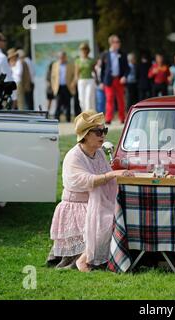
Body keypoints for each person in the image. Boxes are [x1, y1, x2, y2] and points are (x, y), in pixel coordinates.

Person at [47, 110, 134, 271]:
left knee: (122, 213)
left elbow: (109, 178)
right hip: (78, 207)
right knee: (109, 220)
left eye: (104, 131)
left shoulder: (99, 153)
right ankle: (83, 259)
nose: (103, 135)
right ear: (85, 135)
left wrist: (129, 176)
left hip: (98, 203)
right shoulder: (74, 156)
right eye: (98, 132)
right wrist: (113, 174)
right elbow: (86, 180)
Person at [100, 34, 129, 124]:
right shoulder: (105, 54)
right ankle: (108, 119)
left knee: (121, 100)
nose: (118, 43)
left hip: (119, 80)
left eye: (119, 42)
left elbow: (127, 68)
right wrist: (101, 82)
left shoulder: (122, 54)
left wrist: (124, 76)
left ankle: (122, 118)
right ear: (111, 43)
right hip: (109, 80)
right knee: (109, 99)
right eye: (116, 42)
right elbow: (103, 69)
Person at [51, 51, 76, 122]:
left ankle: (68, 119)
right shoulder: (55, 65)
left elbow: (74, 76)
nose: (61, 58)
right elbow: (52, 77)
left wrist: (73, 83)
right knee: (58, 104)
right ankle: (56, 119)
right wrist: (53, 87)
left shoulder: (70, 65)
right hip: (58, 87)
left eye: (63, 57)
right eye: (60, 57)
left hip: (67, 87)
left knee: (68, 104)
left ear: (65, 57)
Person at [75, 43, 96, 113]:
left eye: (85, 49)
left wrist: (97, 80)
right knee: (81, 99)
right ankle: (84, 113)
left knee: (88, 98)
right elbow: (77, 72)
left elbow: (94, 70)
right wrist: (75, 81)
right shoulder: (78, 60)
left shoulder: (91, 60)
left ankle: (88, 115)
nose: (83, 51)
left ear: (88, 50)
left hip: (90, 80)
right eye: (82, 49)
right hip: (81, 81)